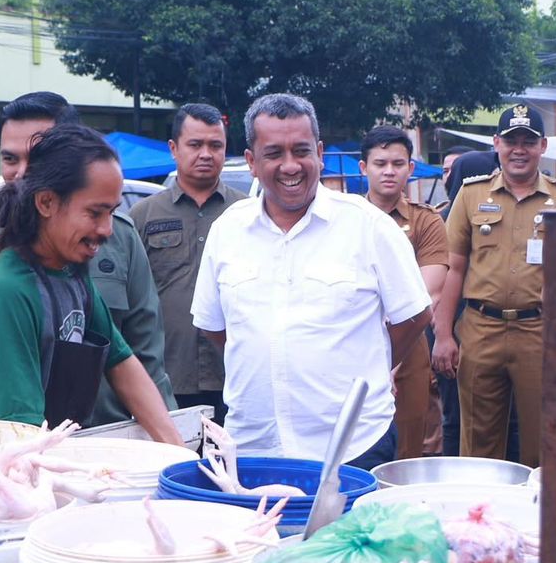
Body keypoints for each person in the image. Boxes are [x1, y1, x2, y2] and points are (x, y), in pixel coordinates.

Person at [191, 93, 432, 468]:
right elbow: (215, 327)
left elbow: (415, 316)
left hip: (354, 445)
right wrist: (273, 355)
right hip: (254, 446)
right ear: (252, 162)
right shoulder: (227, 231)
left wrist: (365, 371)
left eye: (301, 151)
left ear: (319, 152)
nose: (290, 166)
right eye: (274, 154)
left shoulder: (369, 227)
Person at [0, 91, 175, 425]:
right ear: (46, 202)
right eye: (11, 159)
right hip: (29, 456)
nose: (24, 173)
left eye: (37, 159)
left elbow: (133, 359)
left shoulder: (74, 265)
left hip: (98, 436)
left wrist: (174, 451)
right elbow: (21, 430)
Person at [432, 104, 556, 466]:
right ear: (496, 143)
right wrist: (442, 335)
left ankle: (538, 519)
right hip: (481, 328)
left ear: (543, 146)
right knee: (478, 441)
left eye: (528, 142)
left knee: (542, 436)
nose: (520, 149)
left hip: (541, 331)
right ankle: (480, 518)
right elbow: (453, 267)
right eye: (512, 141)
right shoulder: (471, 195)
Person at [130, 103, 246, 420]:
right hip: (166, 375)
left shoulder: (247, 214)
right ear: (174, 149)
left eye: (215, 145)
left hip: (233, 375)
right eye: (195, 145)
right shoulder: (142, 216)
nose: (206, 154)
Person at [359, 125, 449, 460]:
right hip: (349, 348)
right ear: (363, 167)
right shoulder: (344, 221)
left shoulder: (426, 222)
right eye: (380, 163)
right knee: (352, 449)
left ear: (410, 169)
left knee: (406, 452)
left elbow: (428, 296)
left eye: (398, 164)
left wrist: (390, 357)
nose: (389, 171)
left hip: (408, 347)